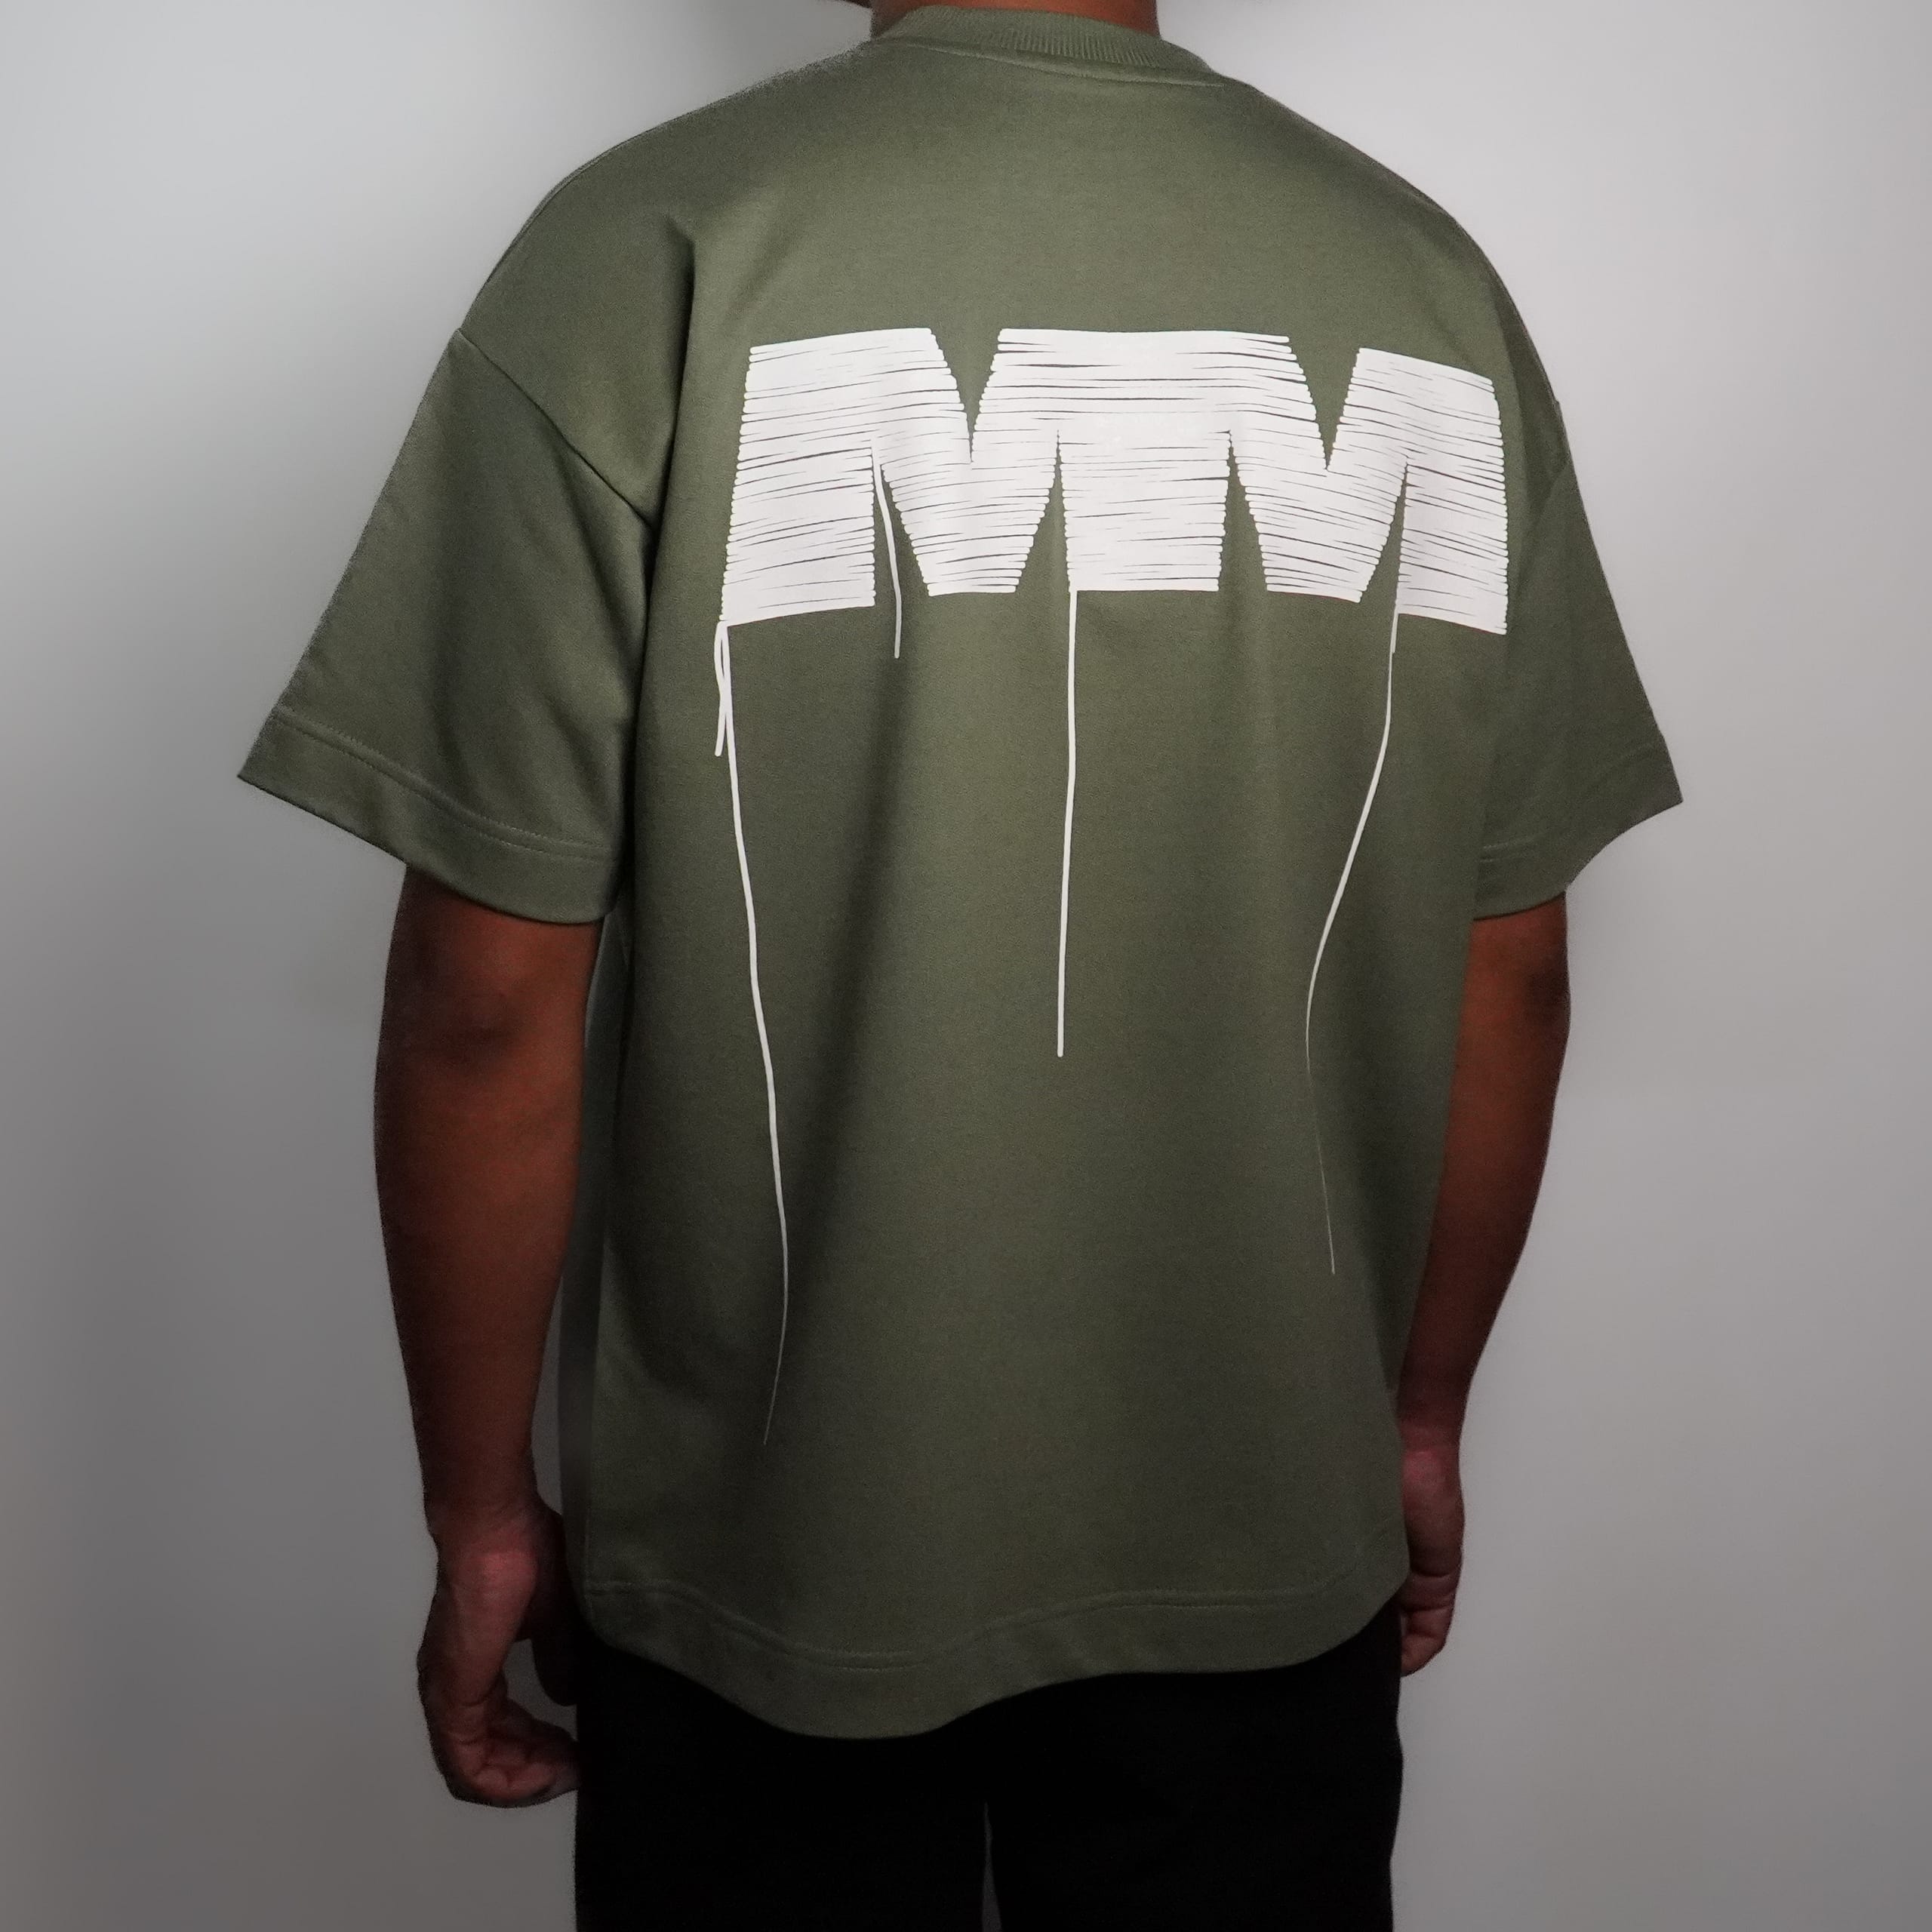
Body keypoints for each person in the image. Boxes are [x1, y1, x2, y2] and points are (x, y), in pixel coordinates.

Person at [238, 0, 1680, 1923]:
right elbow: (1508, 972)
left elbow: (485, 1001)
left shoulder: (654, 243)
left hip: (776, 1538)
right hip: (1262, 1518)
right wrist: (1412, 1417)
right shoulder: (1420, 286)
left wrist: (484, 1512)